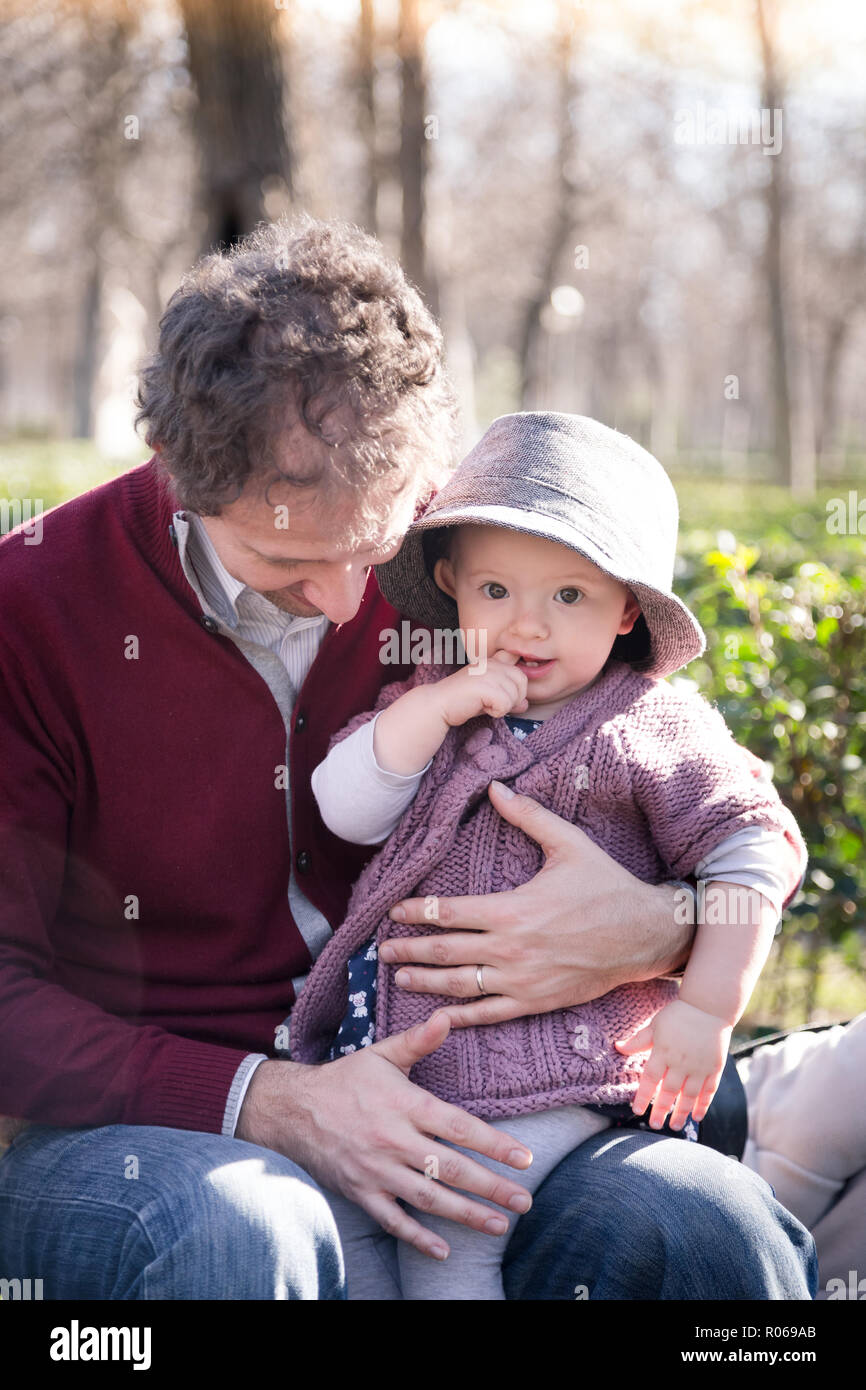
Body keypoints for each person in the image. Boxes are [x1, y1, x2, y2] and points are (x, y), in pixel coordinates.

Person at [0, 216, 816, 1301]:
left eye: (376, 546)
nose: (349, 602)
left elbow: (720, 820)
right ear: (175, 477)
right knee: (244, 1228)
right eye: (287, 559)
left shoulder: (478, 560)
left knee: (702, 1230)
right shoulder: (32, 613)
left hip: (489, 1095)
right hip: (167, 1127)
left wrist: (653, 927)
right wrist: (263, 1097)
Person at [289, 411, 811, 1299]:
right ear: (451, 585)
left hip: (541, 1077)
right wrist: (429, 712)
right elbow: (344, 808)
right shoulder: (433, 699)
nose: (526, 625)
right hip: (399, 1068)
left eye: (568, 597)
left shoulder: (648, 725)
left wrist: (709, 1008)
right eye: (496, 591)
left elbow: (753, 849)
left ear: (626, 611)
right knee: (345, 1232)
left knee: (453, 1237)